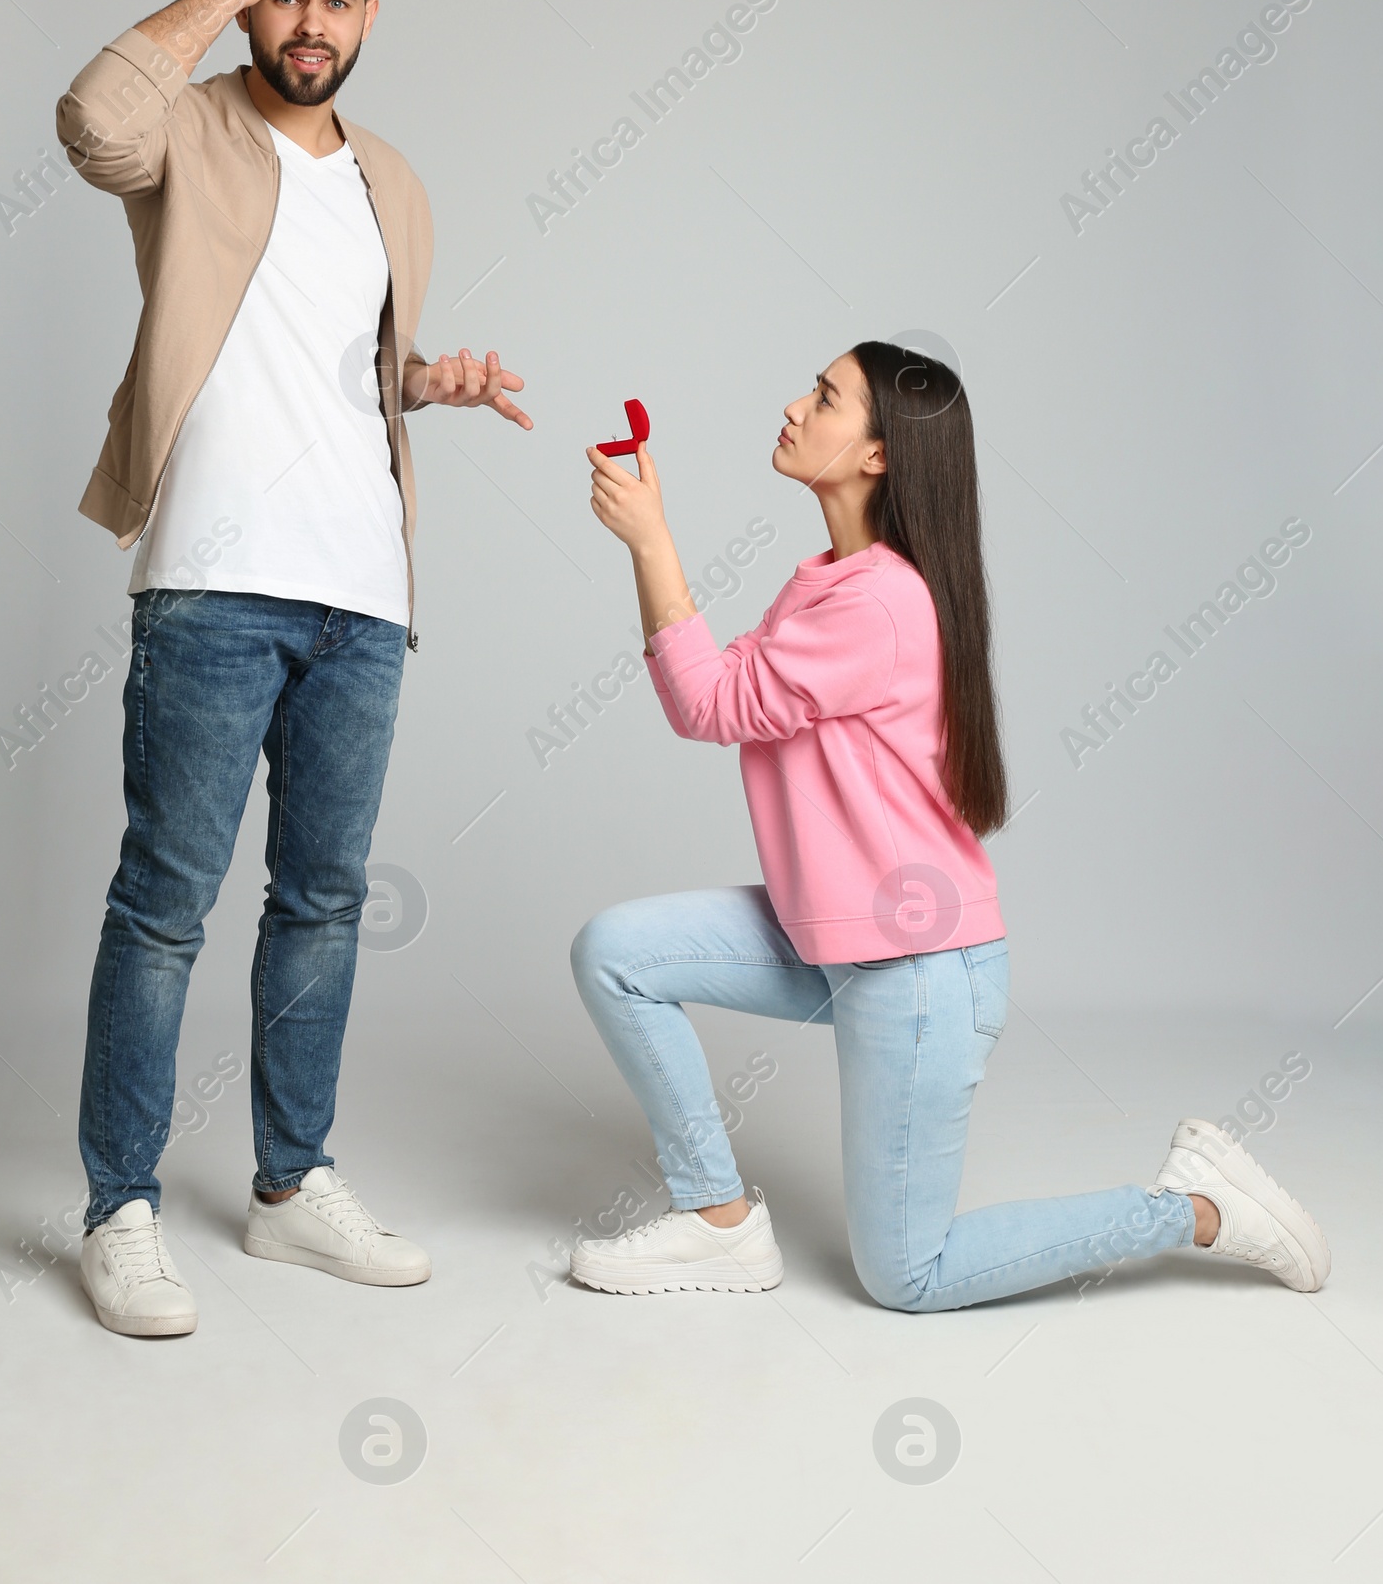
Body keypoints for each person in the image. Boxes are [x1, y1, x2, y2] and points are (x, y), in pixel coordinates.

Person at [568, 342, 1329, 1308]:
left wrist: (651, 542)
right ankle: (718, 1221)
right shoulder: (833, 580)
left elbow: (709, 704)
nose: (795, 406)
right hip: (836, 932)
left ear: (878, 454)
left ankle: (1193, 1209)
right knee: (617, 953)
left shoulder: (881, 602)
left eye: (826, 396)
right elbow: (720, 698)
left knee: (908, 1277)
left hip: (917, 971)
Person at [56, 0, 531, 1337]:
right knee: (165, 906)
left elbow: (329, 368)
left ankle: (289, 1187)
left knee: (324, 904)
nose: (306, 17)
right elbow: (90, 124)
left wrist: (424, 383)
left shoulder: (393, 177)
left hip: (364, 597)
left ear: (370, 16)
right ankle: (120, 1206)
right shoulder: (188, 125)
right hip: (211, 582)